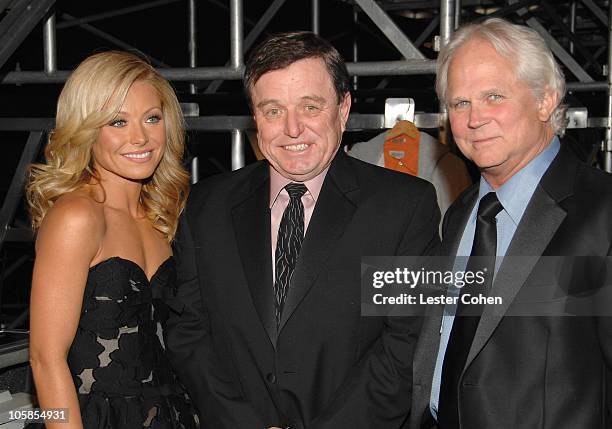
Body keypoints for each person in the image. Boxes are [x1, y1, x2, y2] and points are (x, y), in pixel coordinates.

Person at [166, 31, 440, 429]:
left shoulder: (403, 206)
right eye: (273, 110)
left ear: (343, 109)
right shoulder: (206, 206)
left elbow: (407, 341)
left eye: (310, 107)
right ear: (254, 117)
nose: (292, 129)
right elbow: (188, 331)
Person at [408, 18, 612, 429]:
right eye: (460, 103)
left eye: (493, 96)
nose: (473, 119)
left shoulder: (603, 212)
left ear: (545, 99)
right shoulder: (459, 212)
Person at [27, 51, 197, 429]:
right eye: (117, 121)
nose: (140, 137)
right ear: (87, 130)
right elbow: (45, 357)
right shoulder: (77, 216)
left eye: (152, 118)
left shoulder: (163, 217)